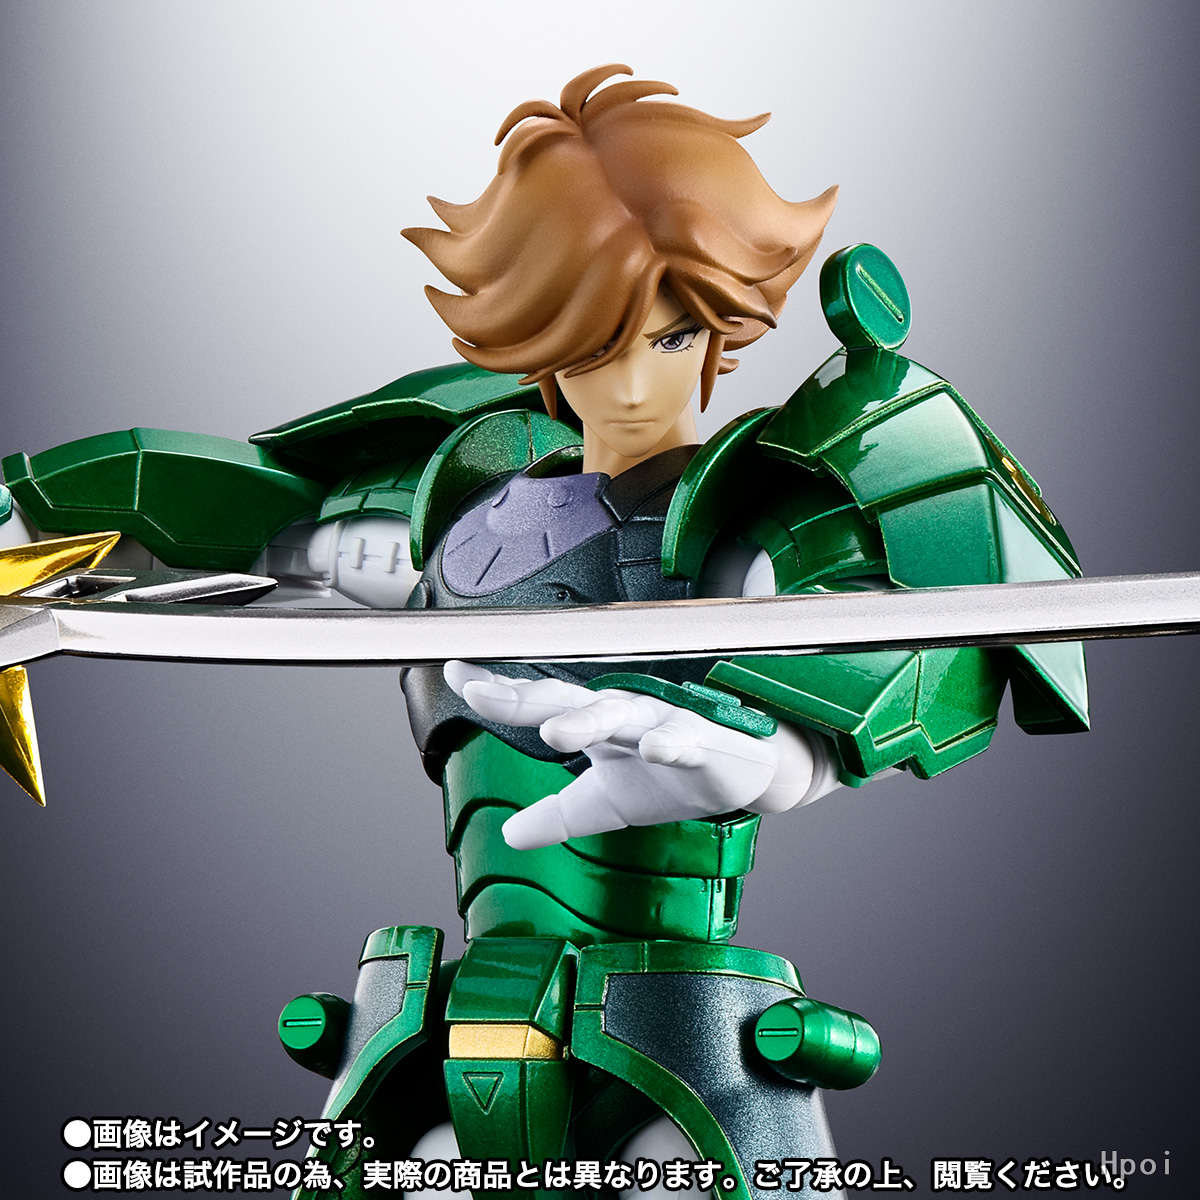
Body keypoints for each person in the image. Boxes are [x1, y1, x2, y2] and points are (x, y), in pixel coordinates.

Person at [0, 65, 1087, 1200]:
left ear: (724, 328)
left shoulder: (756, 530)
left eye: (671, 337)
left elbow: (923, 650)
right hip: (452, 1005)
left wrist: (776, 760)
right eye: (594, 345)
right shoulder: (450, 511)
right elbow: (237, 511)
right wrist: (24, 517)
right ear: (539, 340)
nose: (634, 385)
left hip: (669, 1019)